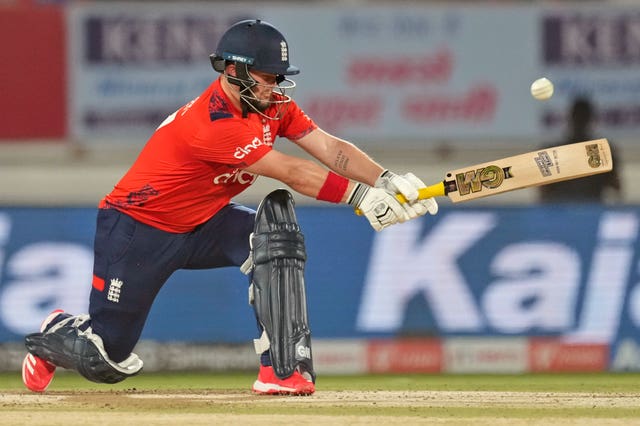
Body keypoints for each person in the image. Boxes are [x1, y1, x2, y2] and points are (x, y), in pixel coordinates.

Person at [21, 19, 437, 395]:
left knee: (275, 236)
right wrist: (359, 197)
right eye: (267, 76)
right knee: (105, 358)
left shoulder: (272, 106)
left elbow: (328, 147)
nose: (275, 85)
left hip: (205, 222)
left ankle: (282, 370)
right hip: (137, 230)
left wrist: (385, 180)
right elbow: (291, 171)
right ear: (234, 71)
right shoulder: (210, 125)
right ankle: (57, 333)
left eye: (278, 77)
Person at [538, 96, 622, 203]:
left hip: (584, 212)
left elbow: (616, 188)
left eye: (582, 117)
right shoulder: (552, 153)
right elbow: (543, 193)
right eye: (578, 117)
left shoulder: (603, 152)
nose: (580, 121)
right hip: (568, 213)